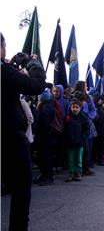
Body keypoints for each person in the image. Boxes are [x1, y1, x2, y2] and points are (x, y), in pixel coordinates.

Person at [1, 33, 46, 230]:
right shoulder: (4, 72)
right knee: (21, 186)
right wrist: (32, 63)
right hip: (9, 135)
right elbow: (36, 85)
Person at [33, 88, 57, 186]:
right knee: (42, 156)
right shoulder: (46, 105)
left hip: (45, 136)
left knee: (45, 156)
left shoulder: (47, 107)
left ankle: (48, 176)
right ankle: (44, 175)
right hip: (44, 136)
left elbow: (45, 124)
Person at [64, 98, 90, 182]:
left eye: (76, 107)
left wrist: (83, 137)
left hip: (80, 142)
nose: (74, 109)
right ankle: (71, 173)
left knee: (78, 158)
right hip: (69, 141)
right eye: (73, 107)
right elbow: (65, 129)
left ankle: (78, 172)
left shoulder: (83, 117)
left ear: (80, 108)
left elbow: (87, 129)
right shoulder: (67, 117)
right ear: (70, 107)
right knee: (71, 158)